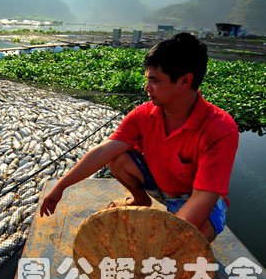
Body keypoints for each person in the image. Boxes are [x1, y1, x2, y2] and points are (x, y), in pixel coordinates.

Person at [40, 32, 239, 242]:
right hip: (162, 186)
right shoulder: (144, 114)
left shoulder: (220, 128)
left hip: (196, 198)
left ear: (185, 81)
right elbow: (104, 150)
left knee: (191, 242)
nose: (147, 88)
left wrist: (164, 236)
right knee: (117, 158)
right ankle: (140, 200)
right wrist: (61, 186)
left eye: (154, 80)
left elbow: (204, 196)